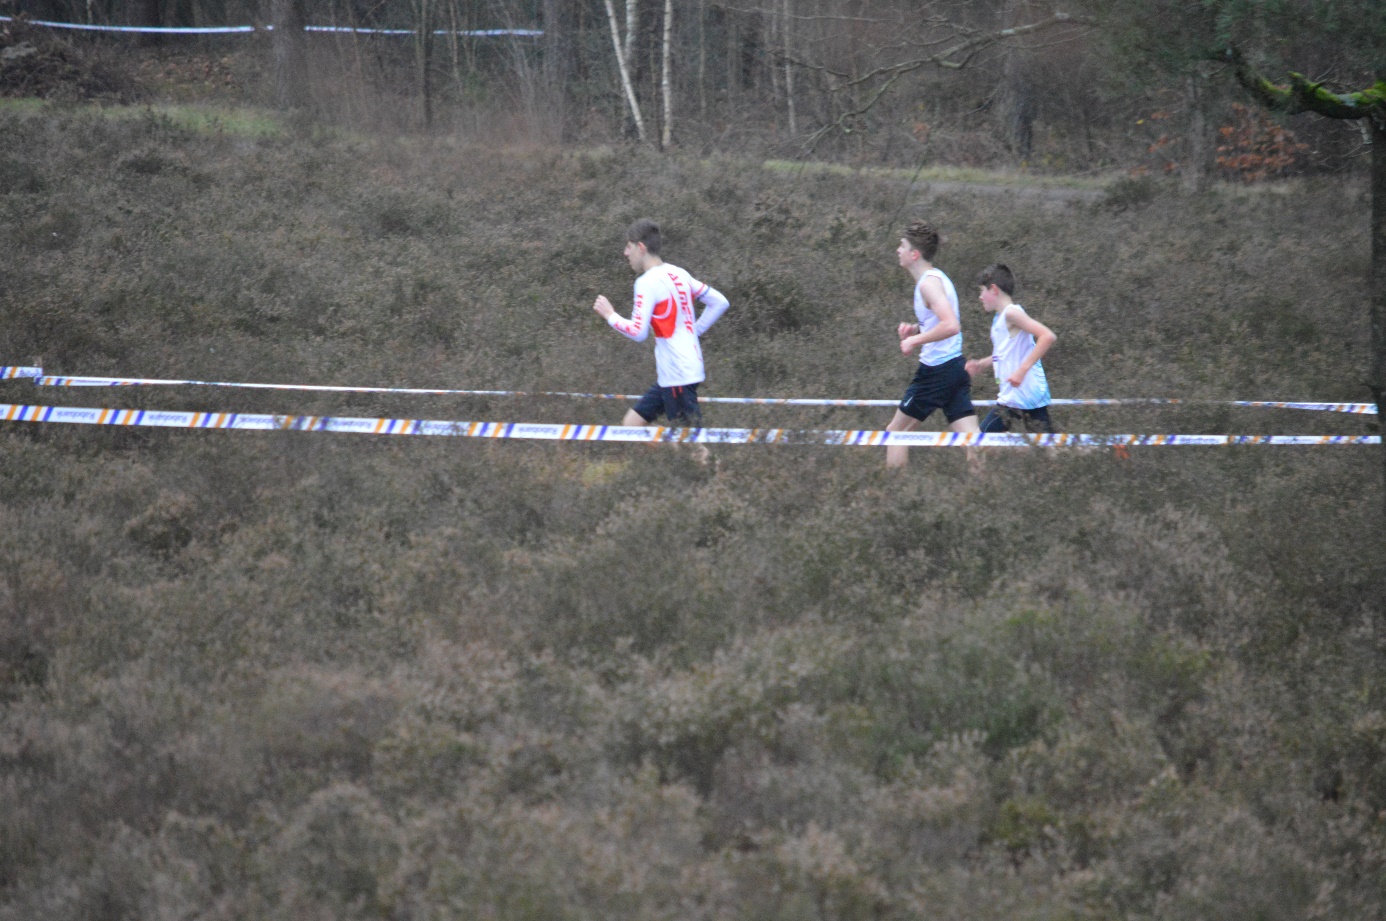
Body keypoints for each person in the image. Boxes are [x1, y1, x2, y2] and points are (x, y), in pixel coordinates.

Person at [593, 218, 730, 432]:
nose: (625, 253)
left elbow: (638, 333)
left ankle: (707, 465)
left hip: (678, 375)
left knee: (689, 447)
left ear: (640, 247)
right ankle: (668, 461)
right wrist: (693, 331)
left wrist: (610, 315)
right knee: (631, 425)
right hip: (674, 374)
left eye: (628, 247)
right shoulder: (679, 273)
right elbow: (720, 302)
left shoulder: (646, 282)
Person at [886, 220, 980, 469]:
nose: (898, 250)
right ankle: (984, 492)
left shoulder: (928, 283)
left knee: (896, 432)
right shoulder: (935, 279)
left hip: (936, 371)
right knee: (973, 442)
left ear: (914, 254)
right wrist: (916, 328)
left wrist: (914, 340)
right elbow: (941, 321)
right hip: (953, 369)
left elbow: (951, 325)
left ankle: (889, 496)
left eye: (902, 245)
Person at [964, 263, 1057, 435]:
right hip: (1011, 399)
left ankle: (1106, 448)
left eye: (981, 291)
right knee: (980, 443)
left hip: (1028, 396)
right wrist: (981, 364)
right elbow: (1004, 353)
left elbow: (1047, 336)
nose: (980, 297)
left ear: (993, 289)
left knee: (1050, 451)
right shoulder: (998, 320)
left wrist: (1022, 370)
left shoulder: (1011, 313)